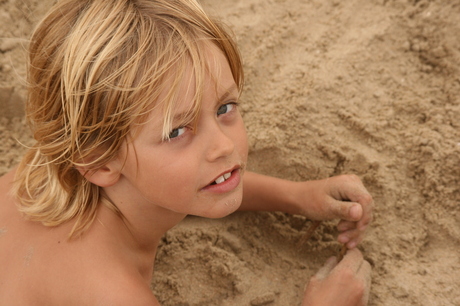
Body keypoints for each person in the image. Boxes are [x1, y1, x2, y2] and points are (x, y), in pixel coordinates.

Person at [0, 0, 373, 305]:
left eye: (225, 108)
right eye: (178, 131)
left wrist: (297, 196)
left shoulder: (59, 162)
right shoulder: (112, 291)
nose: (224, 146)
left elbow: (197, 182)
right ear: (98, 162)